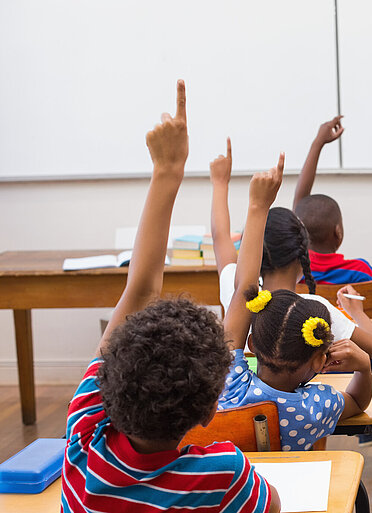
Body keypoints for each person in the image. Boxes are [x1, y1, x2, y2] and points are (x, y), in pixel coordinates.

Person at [62, 80, 279, 513]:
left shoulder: (83, 444)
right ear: (208, 411)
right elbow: (271, 507)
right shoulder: (222, 474)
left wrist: (167, 171)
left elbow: (140, 289)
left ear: (109, 383)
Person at [215, 151, 372, 451]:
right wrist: (364, 366)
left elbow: (243, 288)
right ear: (318, 359)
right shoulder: (315, 407)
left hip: (231, 494)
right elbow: (356, 400)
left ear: (251, 345)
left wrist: (257, 206)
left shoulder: (229, 382)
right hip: (293, 496)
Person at [209, 140, 372, 361]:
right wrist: (356, 312)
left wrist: (220, 183)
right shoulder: (316, 311)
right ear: (303, 256)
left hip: (248, 395)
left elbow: (220, 238)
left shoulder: (238, 295)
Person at [292, 115, 372, 285]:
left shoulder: (293, 273)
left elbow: (299, 206)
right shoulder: (361, 272)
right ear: (338, 232)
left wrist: (317, 143)